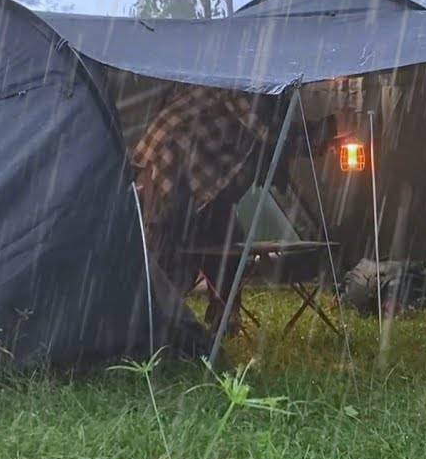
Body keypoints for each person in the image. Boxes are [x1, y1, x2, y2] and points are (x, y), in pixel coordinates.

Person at [132, 85, 337, 339]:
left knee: (224, 241)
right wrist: (319, 133)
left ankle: (221, 320)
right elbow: (267, 133)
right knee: (170, 249)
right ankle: (152, 325)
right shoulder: (245, 85)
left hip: (177, 168)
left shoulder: (236, 77)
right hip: (172, 169)